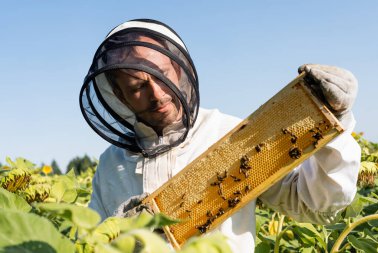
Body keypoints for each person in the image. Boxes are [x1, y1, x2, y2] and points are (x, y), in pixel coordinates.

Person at [79, 19, 361, 253]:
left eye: (162, 74)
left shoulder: (231, 134)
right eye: (137, 86)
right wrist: (121, 234)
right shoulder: (111, 164)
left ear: (178, 69)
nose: (157, 94)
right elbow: (92, 242)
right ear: (119, 95)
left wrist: (333, 125)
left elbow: (314, 206)